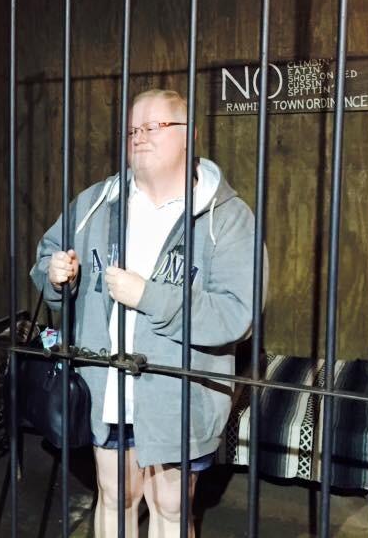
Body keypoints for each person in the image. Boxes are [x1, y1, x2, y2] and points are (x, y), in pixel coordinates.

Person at [30, 89, 265, 538]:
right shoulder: (96, 202)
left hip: (179, 392)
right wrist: (58, 277)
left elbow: (239, 314)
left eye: (154, 126)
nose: (139, 136)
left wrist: (150, 297)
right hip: (106, 386)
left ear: (189, 136)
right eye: (133, 129)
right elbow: (47, 258)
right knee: (114, 496)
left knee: (170, 507)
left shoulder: (227, 217)